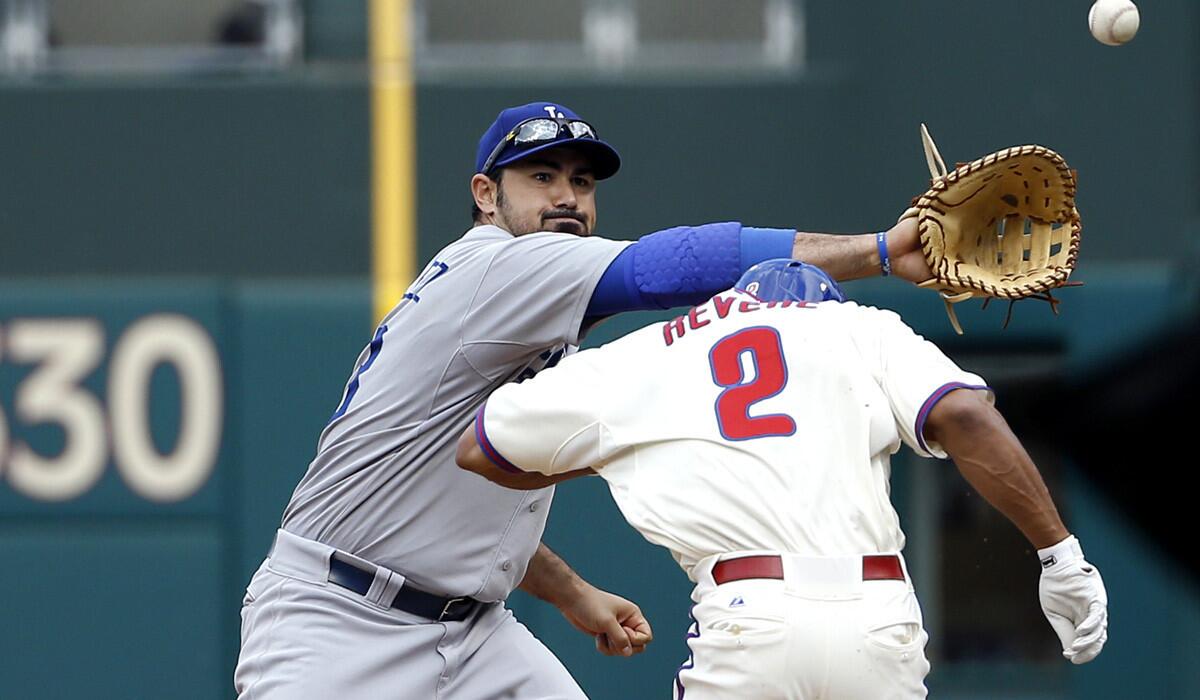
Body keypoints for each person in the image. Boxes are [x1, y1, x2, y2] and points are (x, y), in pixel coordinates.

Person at [235, 100, 934, 699]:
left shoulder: (530, 304)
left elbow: (446, 504)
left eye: (581, 180)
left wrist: (571, 593)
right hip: (336, 621)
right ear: (486, 195)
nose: (568, 197)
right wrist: (878, 250)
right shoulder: (499, 266)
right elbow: (680, 263)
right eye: (541, 177)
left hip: (471, 633)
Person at [456, 259, 1109, 699]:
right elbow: (965, 413)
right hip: (878, 619)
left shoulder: (653, 352)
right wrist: (1061, 556)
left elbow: (481, 450)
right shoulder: (862, 327)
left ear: (733, 305)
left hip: (751, 616)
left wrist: (623, 446)